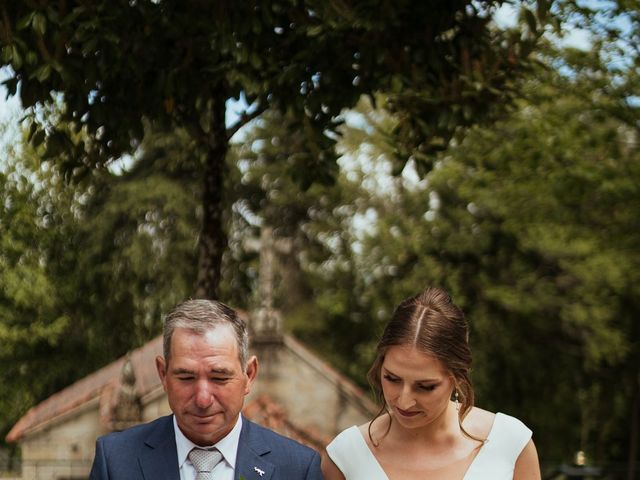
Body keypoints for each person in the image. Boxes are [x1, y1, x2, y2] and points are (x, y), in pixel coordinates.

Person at [321, 286, 541, 480]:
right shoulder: (346, 457)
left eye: (425, 387)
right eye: (392, 379)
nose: (405, 401)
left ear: (457, 377)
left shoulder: (509, 443)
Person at [90, 299, 323, 480]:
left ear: (249, 375)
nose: (203, 400)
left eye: (219, 377)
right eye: (186, 377)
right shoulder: (116, 461)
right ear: (163, 374)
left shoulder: (297, 469)